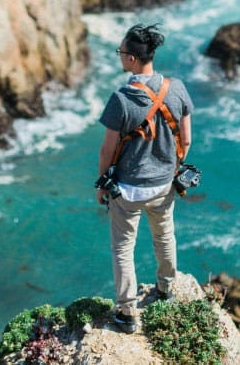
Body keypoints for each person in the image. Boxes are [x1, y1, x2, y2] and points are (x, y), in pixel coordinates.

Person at [96, 23, 193, 333]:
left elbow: (107, 150)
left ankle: (126, 313)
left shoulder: (121, 98)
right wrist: (170, 167)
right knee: (164, 237)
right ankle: (165, 290)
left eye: (121, 52)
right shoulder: (176, 88)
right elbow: (186, 140)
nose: (120, 57)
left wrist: (101, 185)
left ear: (132, 59)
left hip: (128, 189)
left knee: (123, 248)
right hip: (164, 185)